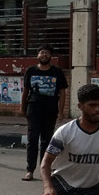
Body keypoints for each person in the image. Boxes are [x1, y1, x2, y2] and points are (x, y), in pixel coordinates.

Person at [21, 44, 68, 181]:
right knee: (32, 140)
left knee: (47, 141)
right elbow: (25, 91)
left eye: (47, 53)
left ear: (51, 56)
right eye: (41, 52)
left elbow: (62, 93)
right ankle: (30, 170)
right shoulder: (31, 71)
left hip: (50, 109)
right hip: (34, 108)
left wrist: (61, 111)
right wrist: (22, 108)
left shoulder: (57, 72)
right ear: (37, 55)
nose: (44, 55)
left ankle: (45, 169)